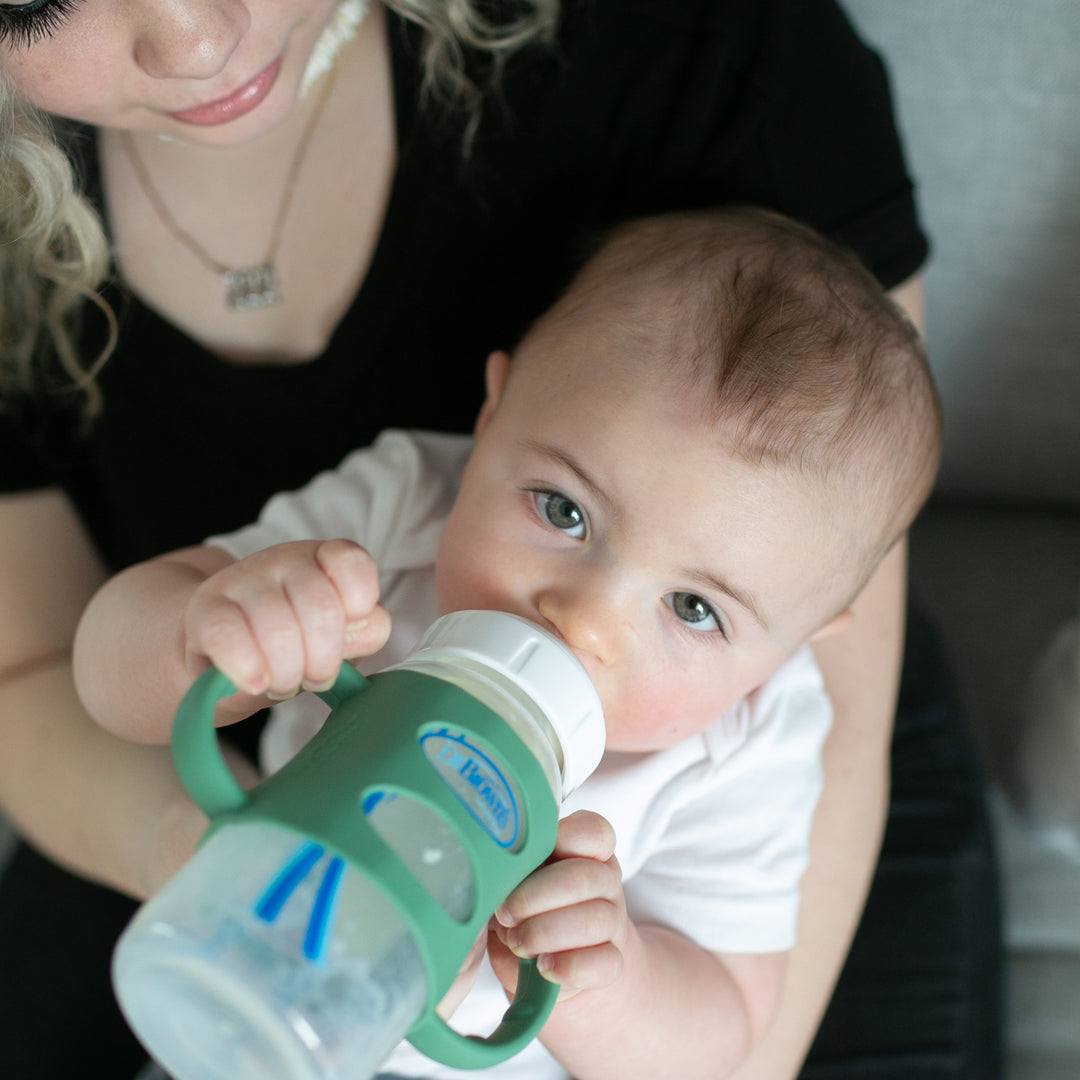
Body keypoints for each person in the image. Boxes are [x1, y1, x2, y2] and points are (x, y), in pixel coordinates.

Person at [0, 2, 1002, 1078]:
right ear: (491, 416)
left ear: (798, 634)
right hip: (275, 970)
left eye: (695, 609)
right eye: (561, 512)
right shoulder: (402, 508)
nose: (585, 617)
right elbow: (90, 677)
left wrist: (603, 987)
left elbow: (722, 1032)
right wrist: (205, 634)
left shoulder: (748, 735)